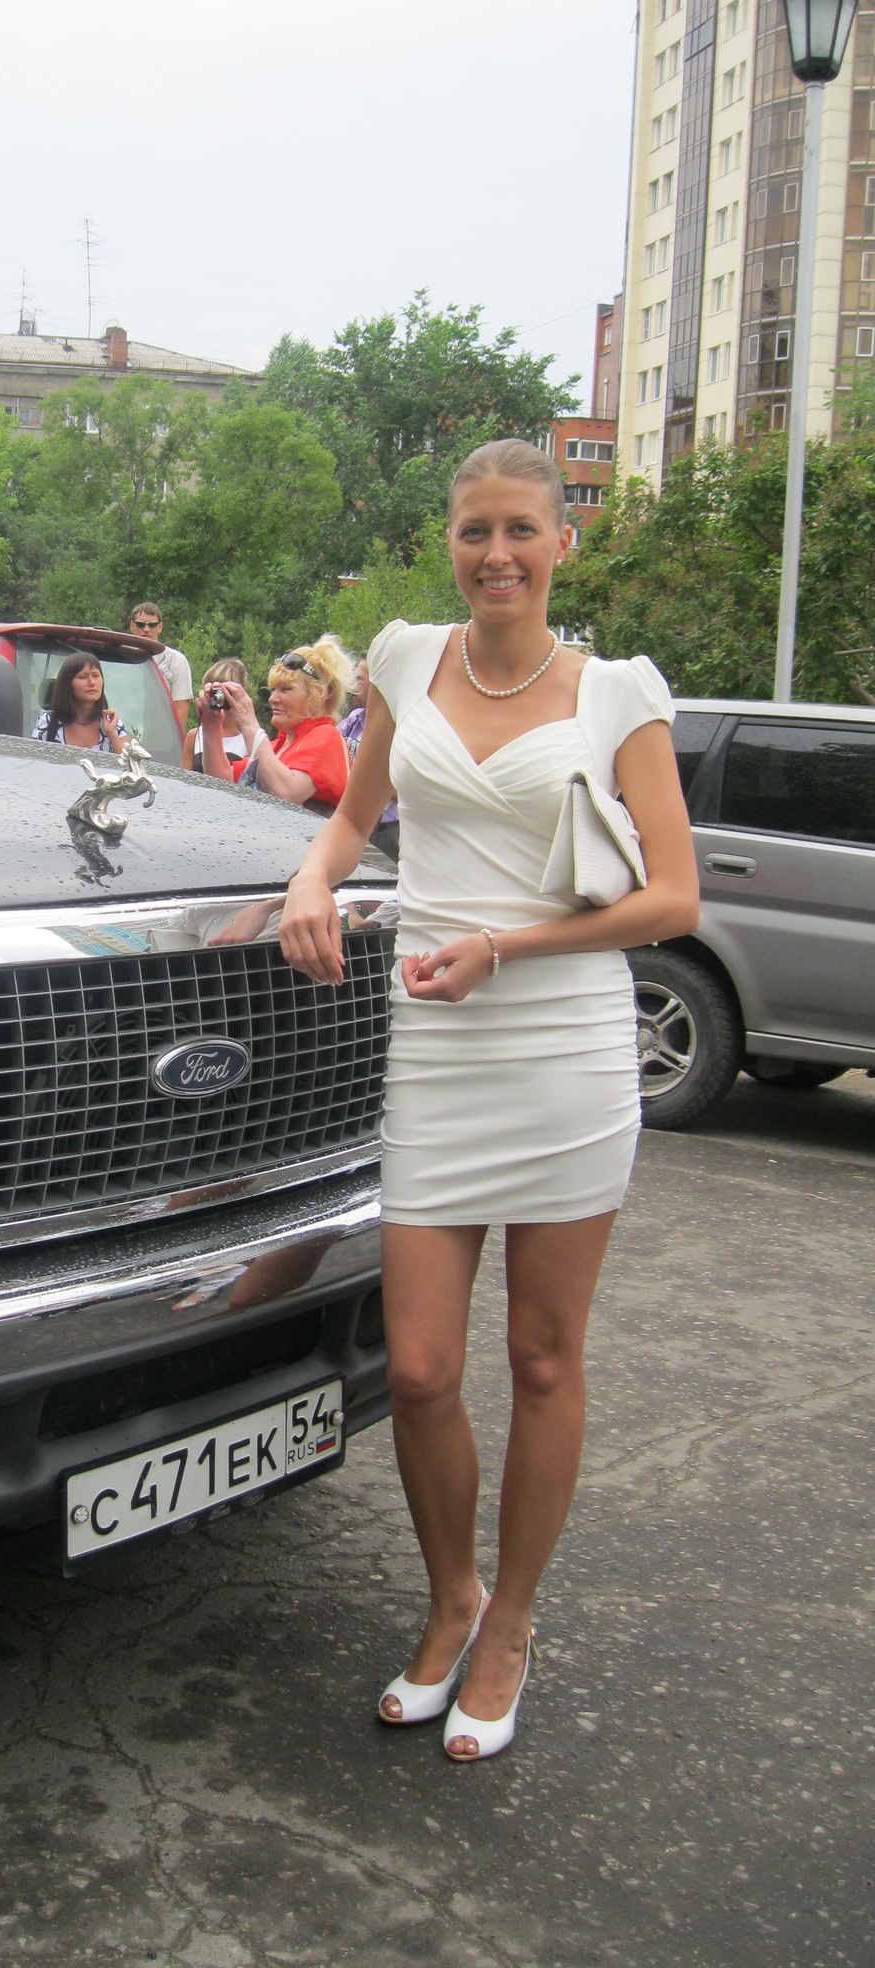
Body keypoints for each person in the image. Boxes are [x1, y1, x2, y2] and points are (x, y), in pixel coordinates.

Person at [277, 439, 698, 1763]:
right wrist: (310, 879)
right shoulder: (404, 661)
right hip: (436, 1047)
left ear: (563, 541)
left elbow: (674, 898)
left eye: (522, 529)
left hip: (565, 1047)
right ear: (450, 541)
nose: (497, 554)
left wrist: (506, 948)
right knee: (416, 1369)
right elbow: (353, 820)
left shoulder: (617, 694)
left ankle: (511, 1618)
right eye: (475, 531)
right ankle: (451, 1593)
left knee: (544, 1357)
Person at [206, 638, 351, 815]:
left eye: (285, 689)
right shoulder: (278, 746)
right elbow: (221, 782)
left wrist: (249, 724)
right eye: (273, 689)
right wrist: (211, 726)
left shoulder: (327, 737)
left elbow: (285, 795)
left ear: (318, 695)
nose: (272, 699)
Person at [339, 657, 400, 862]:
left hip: (386, 831)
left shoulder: (399, 726)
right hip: (353, 823)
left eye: (359, 679)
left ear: (378, 682)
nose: (352, 685)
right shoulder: (354, 720)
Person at [31, 651, 133, 754]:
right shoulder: (48, 722)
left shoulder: (113, 724)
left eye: (96, 675)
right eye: (83, 677)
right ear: (67, 684)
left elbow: (128, 762)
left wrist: (112, 734)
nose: (92, 682)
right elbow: (32, 759)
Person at [128, 602, 193, 729]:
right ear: (132, 626)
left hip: (161, 732)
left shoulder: (176, 660)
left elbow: (181, 706)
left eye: (152, 625)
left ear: (160, 627)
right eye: (140, 624)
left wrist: (174, 739)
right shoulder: (120, 658)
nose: (146, 630)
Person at [183, 659, 252, 779]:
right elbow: (183, 780)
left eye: (227, 691)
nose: (221, 698)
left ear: (243, 692)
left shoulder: (249, 739)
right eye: (215, 693)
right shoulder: (194, 736)